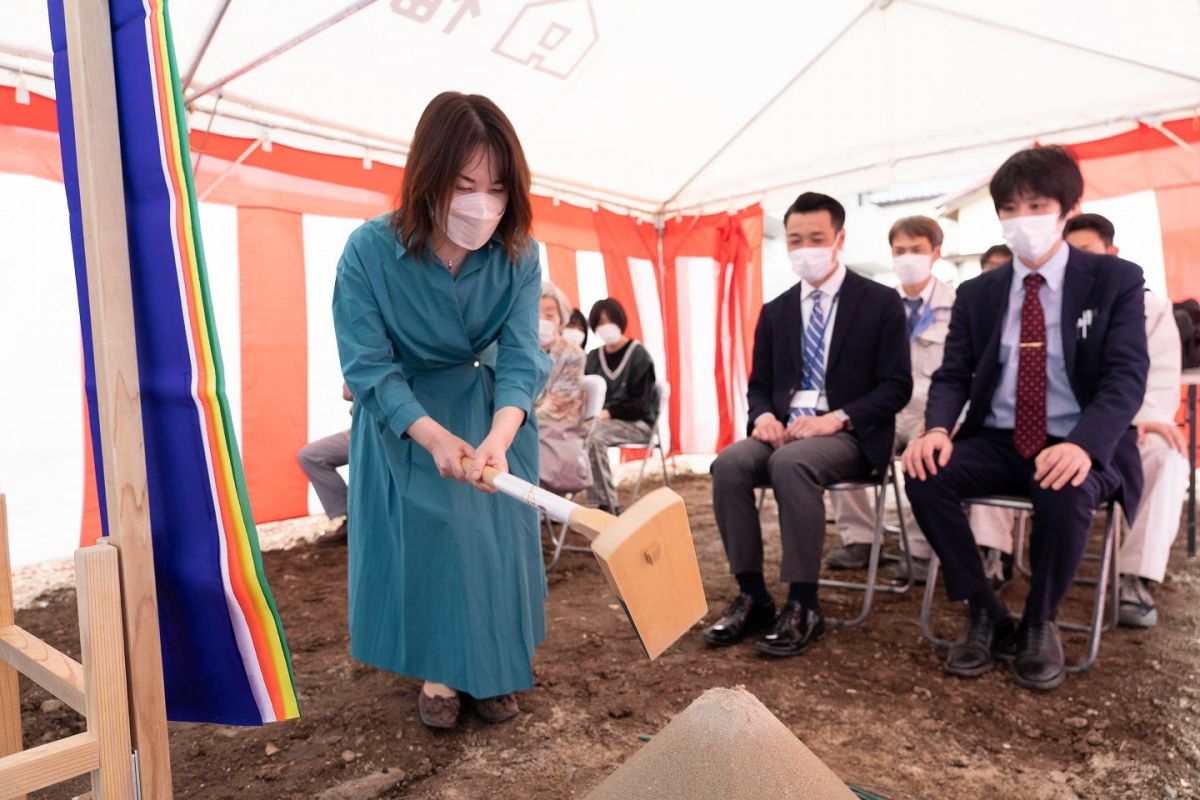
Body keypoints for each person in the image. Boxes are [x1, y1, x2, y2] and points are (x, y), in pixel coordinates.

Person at [332, 92, 551, 730]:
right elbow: (368, 364)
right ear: (428, 177)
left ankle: (494, 670)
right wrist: (429, 436)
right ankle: (438, 667)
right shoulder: (368, 250)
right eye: (464, 185)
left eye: (499, 188)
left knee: (491, 541)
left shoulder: (519, 252)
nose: (483, 202)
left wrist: (502, 434)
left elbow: (520, 357)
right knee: (433, 538)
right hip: (407, 417)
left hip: (490, 414)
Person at [903, 146, 1149, 691]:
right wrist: (938, 429)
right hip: (999, 438)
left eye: (1036, 205)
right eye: (1009, 209)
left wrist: (1084, 444)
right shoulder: (980, 292)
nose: (1022, 220)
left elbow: (1126, 378)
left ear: (1067, 209)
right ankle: (986, 608)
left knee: (1065, 486)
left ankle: (1041, 621)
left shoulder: (1114, 280)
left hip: (1079, 439)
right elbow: (953, 374)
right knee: (922, 472)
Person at [701, 192, 912, 657]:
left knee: (793, 464)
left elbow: (896, 386)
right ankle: (752, 594)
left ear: (839, 239)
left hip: (850, 434)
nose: (804, 248)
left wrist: (836, 419)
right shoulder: (776, 311)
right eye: (795, 239)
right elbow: (758, 384)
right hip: (786, 431)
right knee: (730, 464)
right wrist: (763, 417)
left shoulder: (879, 303)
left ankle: (804, 603)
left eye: (816, 238)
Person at [972, 213, 1186, 627]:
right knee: (992, 433)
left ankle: (1134, 575)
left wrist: (1133, 418)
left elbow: (1154, 377)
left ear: (1112, 252)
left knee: (1168, 456)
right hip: (1047, 422)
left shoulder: (1147, 307)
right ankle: (991, 551)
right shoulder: (1042, 298)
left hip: (1123, 422)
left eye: (1087, 252)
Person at [828, 216, 954, 582]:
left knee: (925, 456)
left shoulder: (957, 306)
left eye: (916, 250)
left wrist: (942, 423)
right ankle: (862, 538)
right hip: (884, 409)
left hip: (930, 413)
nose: (907, 257)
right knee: (839, 441)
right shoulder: (875, 305)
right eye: (900, 251)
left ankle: (918, 547)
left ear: (936, 253)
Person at [583, 298, 657, 513]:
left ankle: (606, 505)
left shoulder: (638, 356)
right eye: (600, 322)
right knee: (570, 433)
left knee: (593, 437)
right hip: (597, 422)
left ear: (621, 321)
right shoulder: (593, 358)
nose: (606, 326)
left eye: (610, 320)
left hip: (637, 424)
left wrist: (608, 412)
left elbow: (641, 405)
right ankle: (556, 497)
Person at [536, 282, 592, 493]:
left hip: (555, 430)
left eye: (549, 315)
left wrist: (516, 417)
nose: (542, 321)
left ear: (561, 320)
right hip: (528, 424)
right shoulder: (520, 350)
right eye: (536, 313)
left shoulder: (573, 354)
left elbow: (559, 403)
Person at [297, 383, 354, 547]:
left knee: (362, 465)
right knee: (310, 455)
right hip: (360, 425)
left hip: (382, 427)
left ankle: (356, 521)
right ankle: (349, 519)